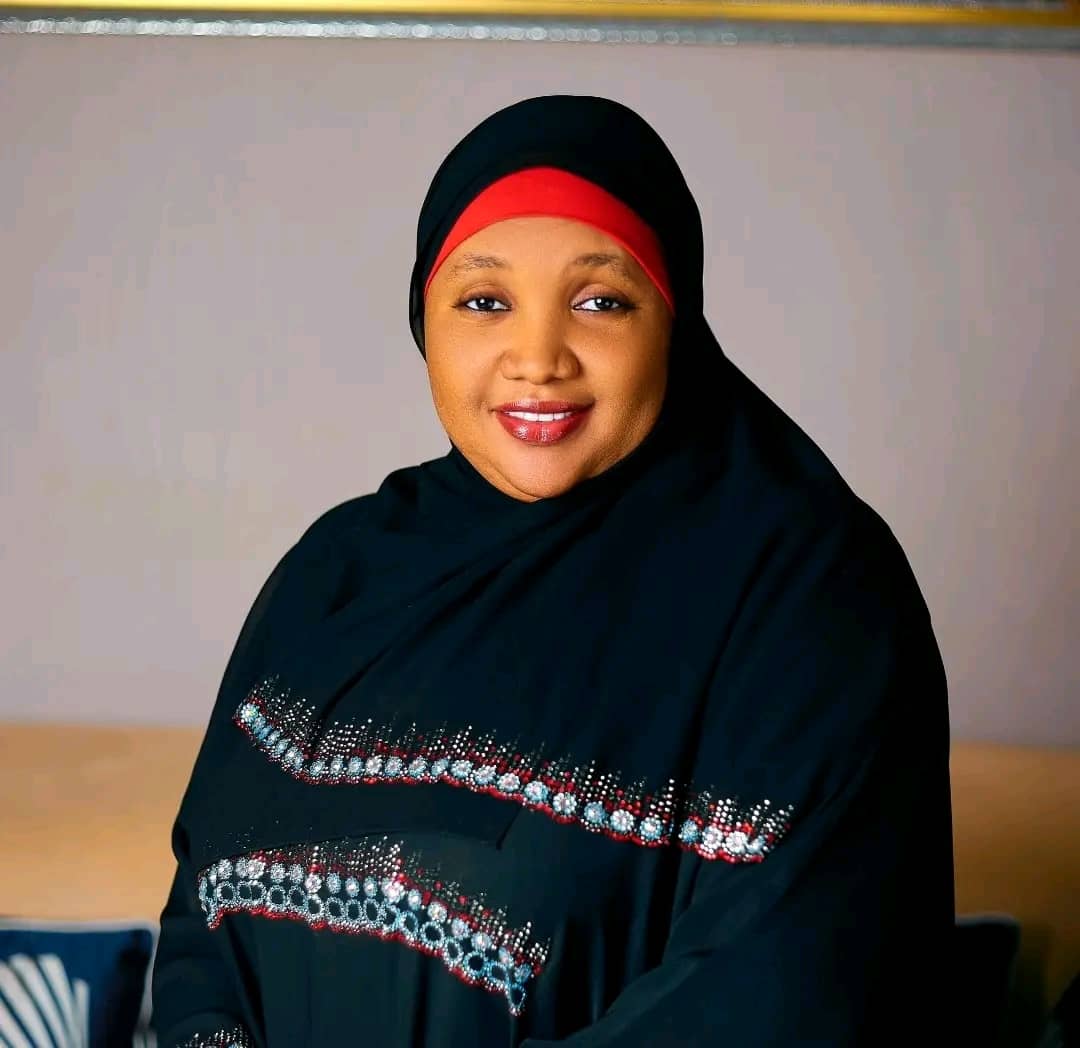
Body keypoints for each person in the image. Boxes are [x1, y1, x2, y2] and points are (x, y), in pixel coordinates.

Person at [150, 94, 954, 1047]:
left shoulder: (809, 598)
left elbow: (782, 994)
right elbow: (200, 926)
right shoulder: (336, 575)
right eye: (485, 301)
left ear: (674, 320)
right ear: (425, 320)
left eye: (599, 301)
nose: (537, 359)